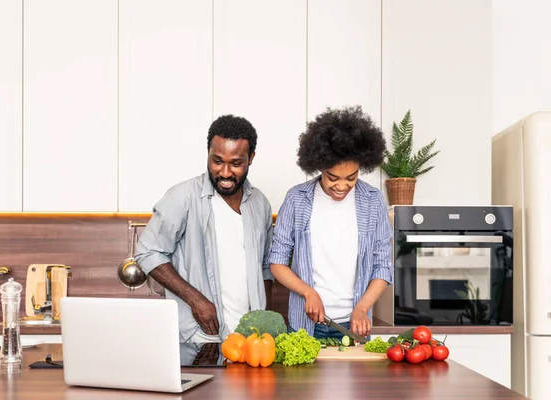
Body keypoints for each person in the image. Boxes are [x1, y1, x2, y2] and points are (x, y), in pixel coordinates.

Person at [135, 114, 274, 343]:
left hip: (249, 340)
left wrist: (264, 319)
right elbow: (148, 252)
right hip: (199, 337)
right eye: (217, 161)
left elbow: (265, 267)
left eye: (236, 163)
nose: (225, 173)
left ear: (251, 158)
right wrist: (196, 300)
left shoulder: (260, 203)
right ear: (208, 153)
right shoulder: (182, 197)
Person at [267, 105, 393, 340]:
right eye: (333, 177)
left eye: (351, 178)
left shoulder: (372, 201)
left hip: (353, 325)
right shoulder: (297, 199)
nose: (342, 186)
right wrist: (308, 293)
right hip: (304, 324)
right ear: (319, 165)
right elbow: (276, 262)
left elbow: (383, 266)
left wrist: (362, 308)